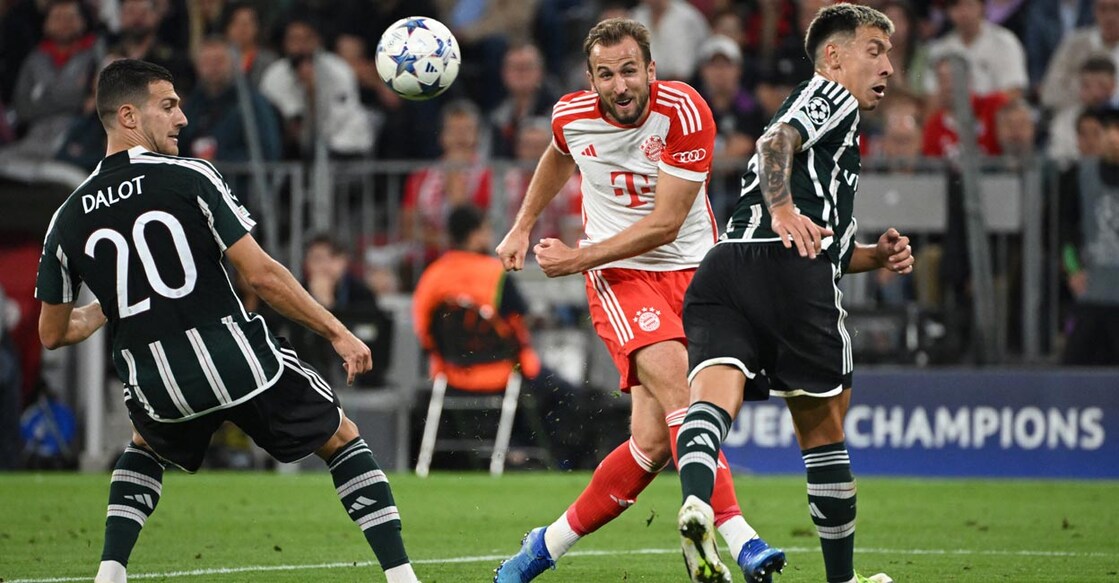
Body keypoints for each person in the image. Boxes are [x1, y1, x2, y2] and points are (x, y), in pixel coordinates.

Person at [34, 59, 419, 583]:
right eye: (168, 105)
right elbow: (260, 277)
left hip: (157, 384)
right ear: (128, 116)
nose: (183, 118)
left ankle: (110, 571)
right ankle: (401, 576)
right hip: (234, 361)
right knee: (341, 437)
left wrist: (110, 304)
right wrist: (337, 330)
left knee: (144, 445)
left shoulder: (67, 217)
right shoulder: (189, 176)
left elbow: (53, 334)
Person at [493, 18, 784, 583]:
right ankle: (740, 537)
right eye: (606, 74)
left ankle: (541, 548)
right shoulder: (571, 115)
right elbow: (559, 154)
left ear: (651, 69)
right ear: (590, 78)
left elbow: (668, 223)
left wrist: (573, 256)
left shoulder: (686, 110)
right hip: (620, 276)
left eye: (629, 70)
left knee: (651, 445)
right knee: (683, 394)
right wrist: (521, 227)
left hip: (700, 276)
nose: (619, 85)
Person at [672, 5, 913, 583]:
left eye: (890, 53)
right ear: (834, 56)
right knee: (825, 429)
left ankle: (698, 504)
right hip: (787, 269)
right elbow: (775, 140)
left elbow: (826, 243)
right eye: (874, 50)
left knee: (710, 403)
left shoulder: (841, 146)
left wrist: (875, 257)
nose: (888, 67)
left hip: (726, 267)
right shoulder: (831, 95)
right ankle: (842, 580)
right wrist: (783, 209)